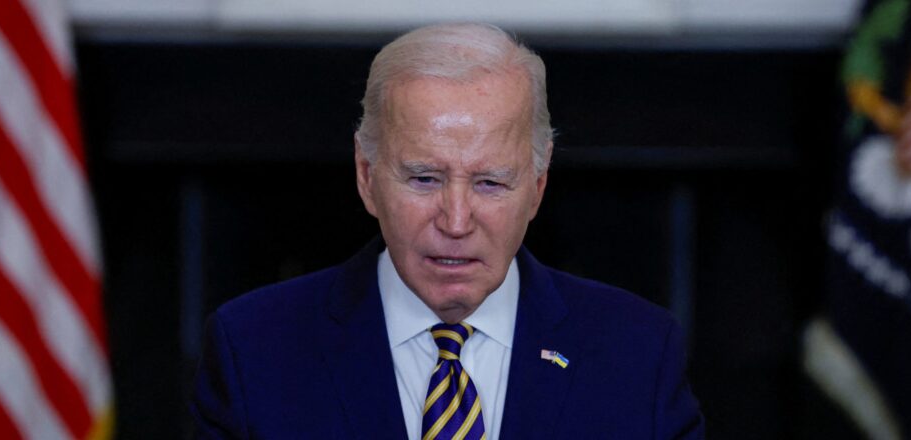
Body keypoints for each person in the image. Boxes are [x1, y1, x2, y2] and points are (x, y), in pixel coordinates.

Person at [191, 23, 704, 439]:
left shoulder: (637, 355)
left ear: (538, 185)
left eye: (490, 182)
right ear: (366, 176)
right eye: (424, 178)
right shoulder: (254, 351)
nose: (456, 222)